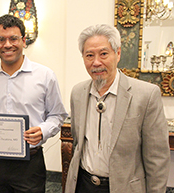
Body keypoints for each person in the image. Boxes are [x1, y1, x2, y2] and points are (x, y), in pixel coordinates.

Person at [0, 14, 68, 193]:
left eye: (13, 38)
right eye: (1, 39)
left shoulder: (45, 76)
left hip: (29, 164)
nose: (7, 45)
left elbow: (57, 115)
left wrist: (43, 130)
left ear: (23, 41)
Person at [65, 24, 170, 193]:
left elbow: (157, 159)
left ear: (118, 53)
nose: (96, 62)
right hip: (83, 185)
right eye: (89, 55)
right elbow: (78, 143)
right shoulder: (78, 93)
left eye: (104, 54)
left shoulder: (146, 95)